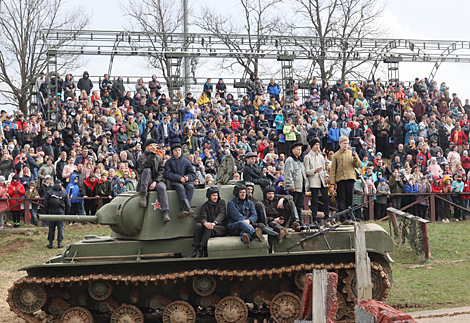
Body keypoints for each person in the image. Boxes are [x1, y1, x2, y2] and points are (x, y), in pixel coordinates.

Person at [329, 136, 362, 222]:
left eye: (347, 143)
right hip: (340, 179)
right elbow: (332, 170)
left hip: (350, 178)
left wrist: (356, 157)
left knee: (349, 199)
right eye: (344, 143)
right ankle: (343, 218)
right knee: (341, 199)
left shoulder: (351, 153)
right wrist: (332, 183)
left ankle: (349, 217)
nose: (346, 145)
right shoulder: (336, 155)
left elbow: (358, 165)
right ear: (340, 144)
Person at [137, 139, 170, 222]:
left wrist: (156, 181)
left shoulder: (158, 158)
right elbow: (145, 165)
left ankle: (165, 212)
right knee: (147, 170)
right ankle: (143, 196)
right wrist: (151, 154)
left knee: (162, 187)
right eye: (151, 145)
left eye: (154, 145)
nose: (153, 147)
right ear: (146, 147)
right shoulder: (141, 157)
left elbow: (161, 171)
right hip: (145, 181)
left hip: (155, 181)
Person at [191, 187, 227, 258]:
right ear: (209, 196)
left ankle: (201, 249)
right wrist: (205, 223)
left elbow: (222, 215)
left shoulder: (221, 202)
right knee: (198, 225)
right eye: (213, 195)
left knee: (209, 228)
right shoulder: (205, 206)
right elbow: (203, 217)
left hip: (220, 227)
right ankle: (197, 248)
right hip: (209, 226)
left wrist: (214, 223)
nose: (215, 197)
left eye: (216, 195)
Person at [227, 184, 264, 249]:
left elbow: (254, 215)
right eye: (241, 192)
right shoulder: (231, 203)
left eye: (244, 192)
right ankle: (255, 234)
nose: (243, 194)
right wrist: (247, 223)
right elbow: (236, 216)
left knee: (244, 232)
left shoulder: (249, 203)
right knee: (241, 223)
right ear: (237, 193)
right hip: (234, 226)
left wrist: (249, 220)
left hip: (247, 226)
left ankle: (246, 238)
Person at [164, 143, 197, 218]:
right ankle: (188, 208)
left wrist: (187, 177)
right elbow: (168, 174)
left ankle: (183, 210)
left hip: (186, 181)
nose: (178, 152)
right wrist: (179, 178)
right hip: (175, 182)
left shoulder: (186, 161)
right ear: (172, 151)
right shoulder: (169, 162)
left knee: (191, 187)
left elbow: (193, 174)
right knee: (180, 188)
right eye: (175, 150)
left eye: (179, 150)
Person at [304, 138, 330, 226]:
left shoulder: (321, 156)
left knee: (326, 199)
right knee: (314, 200)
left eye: (318, 145)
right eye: (316, 144)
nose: (317, 146)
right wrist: (314, 170)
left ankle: (327, 218)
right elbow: (307, 171)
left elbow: (324, 169)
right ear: (312, 146)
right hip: (314, 179)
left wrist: (326, 176)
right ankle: (314, 219)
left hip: (322, 179)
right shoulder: (307, 157)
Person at [284, 142, 308, 226]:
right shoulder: (290, 160)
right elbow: (288, 174)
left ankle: (299, 221)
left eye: (300, 149)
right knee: (292, 206)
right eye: (298, 149)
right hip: (294, 188)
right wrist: (291, 186)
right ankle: (292, 221)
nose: (300, 151)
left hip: (300, 187)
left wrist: (306, 186)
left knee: (299, 205)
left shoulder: (300, 161)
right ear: (293, 150)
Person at [43, 179, 71, 249]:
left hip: (52, 211)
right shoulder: (64, 193)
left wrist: (47, 212)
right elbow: (68, 204)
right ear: (59, 184)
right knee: (60, 227)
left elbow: (45, 203)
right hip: (60, 211)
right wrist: (66, 214)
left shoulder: (49, 192)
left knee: (51, 227)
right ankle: (59, 243)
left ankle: (50, 243)